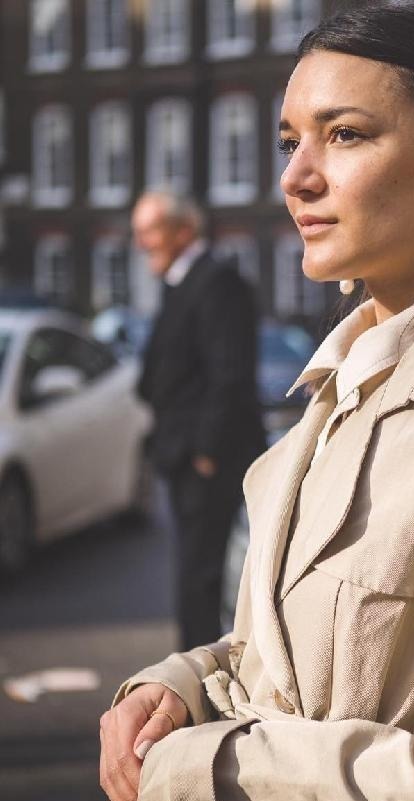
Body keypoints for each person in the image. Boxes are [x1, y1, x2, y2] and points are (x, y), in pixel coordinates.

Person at [100, 6, 414, 801]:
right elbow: (283, 662)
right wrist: (182, 685)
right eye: (289, 140)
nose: (296, 175)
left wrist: (212, 762)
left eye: (345, 135)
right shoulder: (343, 382)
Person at [131, 190, 267, 651]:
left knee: (201, 576)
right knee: (195, 574)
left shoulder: (216, 282)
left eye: (150, 231)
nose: (141, 242)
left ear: (183, 231)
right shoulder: (181, 281)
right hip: (184, 452)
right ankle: (195, 670)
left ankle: (199, 682)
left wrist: (206, 452)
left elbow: (228, 374)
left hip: (208, 458)